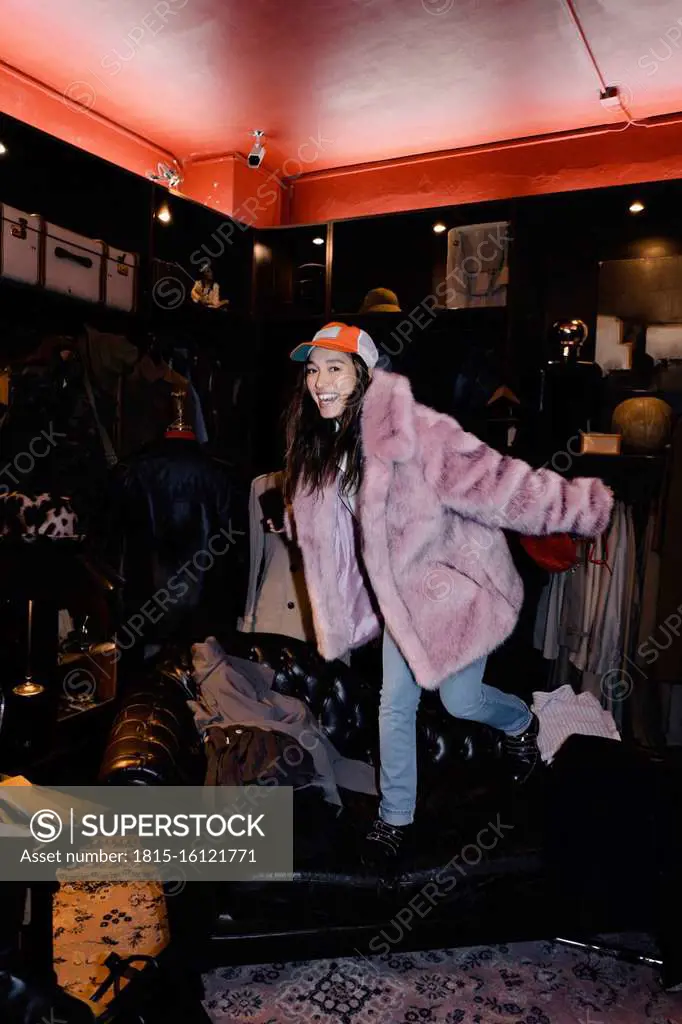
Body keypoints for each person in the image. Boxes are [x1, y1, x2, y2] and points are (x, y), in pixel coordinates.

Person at [283, 322, 614, 868]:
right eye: (313, 370)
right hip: (401, 601)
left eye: (335, 368)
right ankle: (395, 821)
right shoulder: (329, 447)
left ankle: (520, 723)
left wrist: (581, 508)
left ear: (366, 376)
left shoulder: (419, 433)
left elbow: (501, 481)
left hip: (458, 591)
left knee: (460, 700)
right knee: (395, 706)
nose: (319, 381)